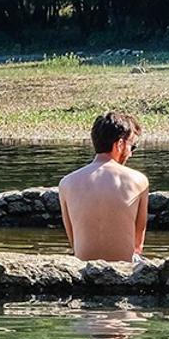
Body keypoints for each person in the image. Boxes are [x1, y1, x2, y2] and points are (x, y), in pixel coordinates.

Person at [58, 112, 150, 262]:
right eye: (132, 147)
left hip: (83, 270)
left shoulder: (67, 183)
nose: (131, 154)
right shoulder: (138, 180)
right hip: (123, 270)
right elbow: (137, 246)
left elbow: (74, 242)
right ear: (120, 144)